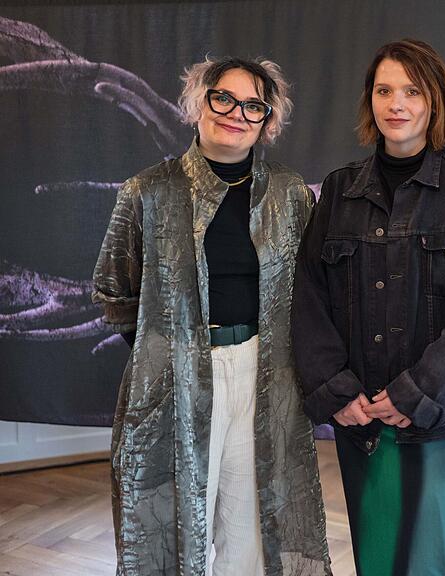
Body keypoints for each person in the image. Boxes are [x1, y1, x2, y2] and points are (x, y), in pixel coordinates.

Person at [92, 56, 331, 576]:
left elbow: (314, 291)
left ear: (268, 121)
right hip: (173, 379)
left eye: (253, 106)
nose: (235, 114)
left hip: (265, 375)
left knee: (250, 526)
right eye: (223, 98)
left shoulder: (290, 194)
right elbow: (114, 290)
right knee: (174, 522)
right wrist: (165, 354)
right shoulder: (148, 191)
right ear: (198, 103)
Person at [291, 39, 445, 576]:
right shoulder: (338, 192)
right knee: (381, 559)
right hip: (364, 416)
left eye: (411, 91)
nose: (397, 104)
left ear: (435, 100)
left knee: (439, 562)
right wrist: (335, 390)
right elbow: (309, 297)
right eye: (384, 91)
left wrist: (418, 392)